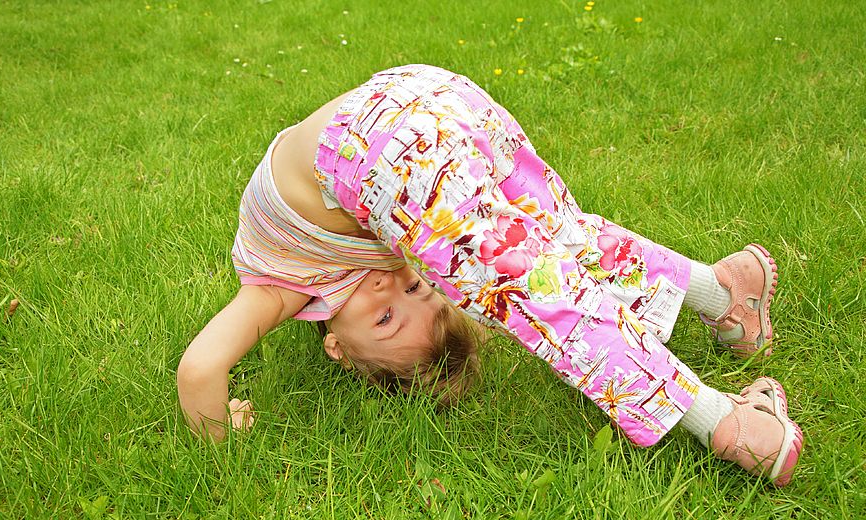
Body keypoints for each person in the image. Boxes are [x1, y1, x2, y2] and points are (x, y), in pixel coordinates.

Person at [177, 64, 803, 487]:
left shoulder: (278, 285)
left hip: (379, 145)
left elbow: (200, 368)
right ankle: (722, 292)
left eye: (391, 310)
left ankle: (726, 425)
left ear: (335, 348)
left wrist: (218, 434)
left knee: (541, 303)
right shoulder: (347, 260)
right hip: (430, 93)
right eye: (415, 290)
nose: (390, 284)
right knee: (562, 239)